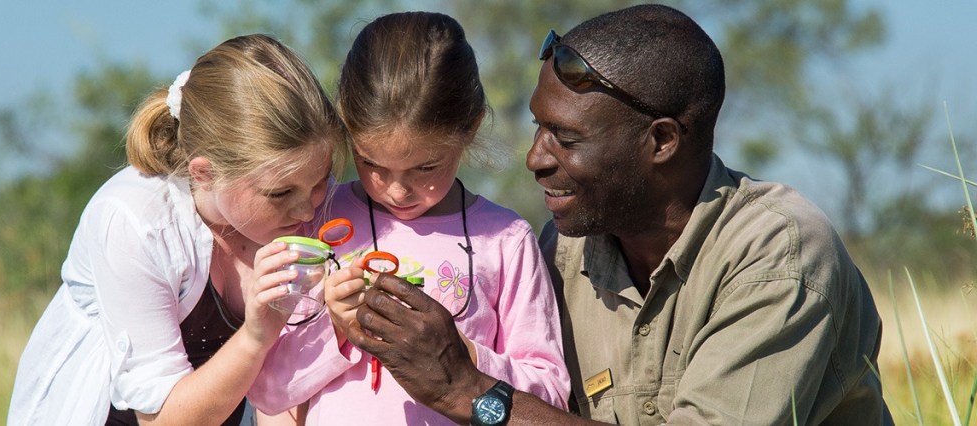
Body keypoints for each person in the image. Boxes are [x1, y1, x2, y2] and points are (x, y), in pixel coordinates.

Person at [339, 4, 893, 425]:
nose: (535, 159)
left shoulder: (778, 256)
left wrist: (469, 390)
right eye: (538, 127)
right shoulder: (564, 250)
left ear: (661, 142)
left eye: (565, 138)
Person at [246, 11, 569, 425]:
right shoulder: (315, 223)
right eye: (371, 163)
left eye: (425, 168)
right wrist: (338, 330)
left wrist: (462, 358)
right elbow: (268, 394)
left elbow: (552, 397)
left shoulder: (506, 239)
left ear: (468, 129)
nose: (397, 190)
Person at [7, 34, 347, 425]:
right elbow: (163, 420)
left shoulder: (324, 208)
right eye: (279, 192)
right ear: (205, 173)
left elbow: (289, 391)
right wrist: (256, 336)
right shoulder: (135, 221)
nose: (308, 206)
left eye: (320, 179)